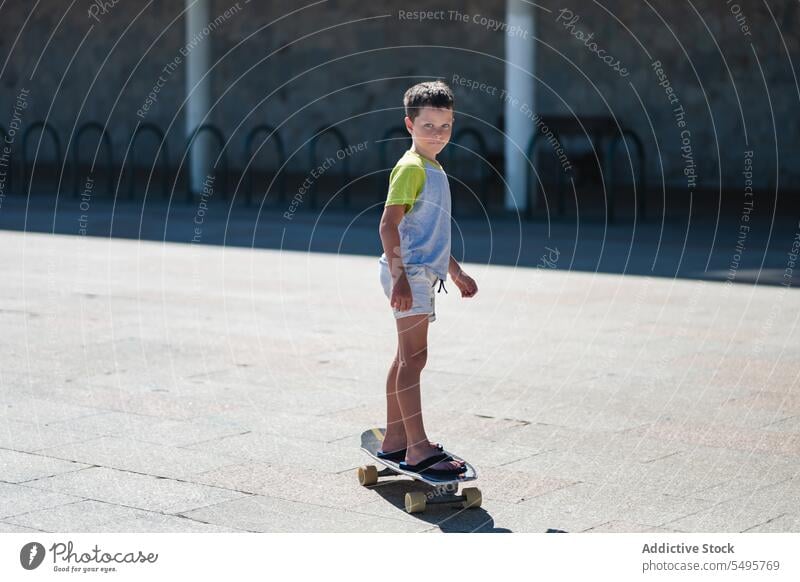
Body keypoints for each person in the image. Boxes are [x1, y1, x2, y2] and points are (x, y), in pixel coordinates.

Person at [377, 80, 478, 477]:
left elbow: (427, 233)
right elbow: (388, 226)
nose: (437, 134)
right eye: (428, 125)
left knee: (406, 356)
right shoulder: (411, 167)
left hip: (417, 270)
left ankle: (395, 439)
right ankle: (417, 448)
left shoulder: (432, 167)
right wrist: (401, 278)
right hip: (409, 272)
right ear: (409, 124)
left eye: (445, 125)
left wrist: (455, 271)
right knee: (415, 358)